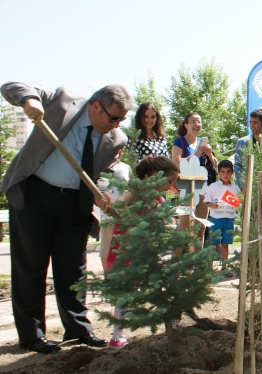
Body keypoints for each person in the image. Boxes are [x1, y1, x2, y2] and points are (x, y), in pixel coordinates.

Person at [0, 82, 133, 353]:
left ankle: (78, 330)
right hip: (36, 195)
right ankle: (32, 335)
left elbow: (105, 172)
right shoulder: (62, 100)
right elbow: (12, 86)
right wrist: (30, 101)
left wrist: (103, 192)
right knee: (32, 267)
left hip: (76, 204)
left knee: (74, 269)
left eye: (122, 119)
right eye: (114, 118)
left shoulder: (116, 138)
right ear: (96, 106)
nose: (117, 125)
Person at [106, 156, 179, 348]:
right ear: (155, 175)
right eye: (169, 181)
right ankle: (117, 335)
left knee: (157, 285)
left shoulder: (158, 199)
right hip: (126, 249)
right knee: (125, 292)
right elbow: (119, 205)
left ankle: (171, 324)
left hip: (145, 250)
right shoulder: (136, 190)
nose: (170, 186)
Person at [171, 112, 216, 238]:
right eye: (193, 122)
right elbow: (176, 164)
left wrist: (209, 154)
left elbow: (214, 165)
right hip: (185, 189)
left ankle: (197, 257)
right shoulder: (179, 142)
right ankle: (177, 257)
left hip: (202, 188)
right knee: (183, 227)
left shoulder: (203, 142)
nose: (197, 124)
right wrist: (196, 154)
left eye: (199, 122)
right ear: (186, 125)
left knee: (200, 228)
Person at [96, 150, 131, 272]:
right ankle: (108, 276)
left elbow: (129, 187)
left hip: (123, 212)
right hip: (108, 211)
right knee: (107, 244)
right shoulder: (103, 166)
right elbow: (99, 186)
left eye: (118, 150)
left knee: (122, 245)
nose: (116, 153)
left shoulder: (126, 167)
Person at [204, 159, 239, 263]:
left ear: (232, 172)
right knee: (213, 244)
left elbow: (237, 204)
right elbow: (207, 202)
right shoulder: (213, 186)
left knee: (225, 244)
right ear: (218, 173)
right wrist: (213, 205)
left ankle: (224, 267)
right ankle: (209, 268)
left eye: (228, 172)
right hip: (216, 219)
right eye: (223, 172)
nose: (225, 175)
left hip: (229, 220)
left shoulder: (234, 188)